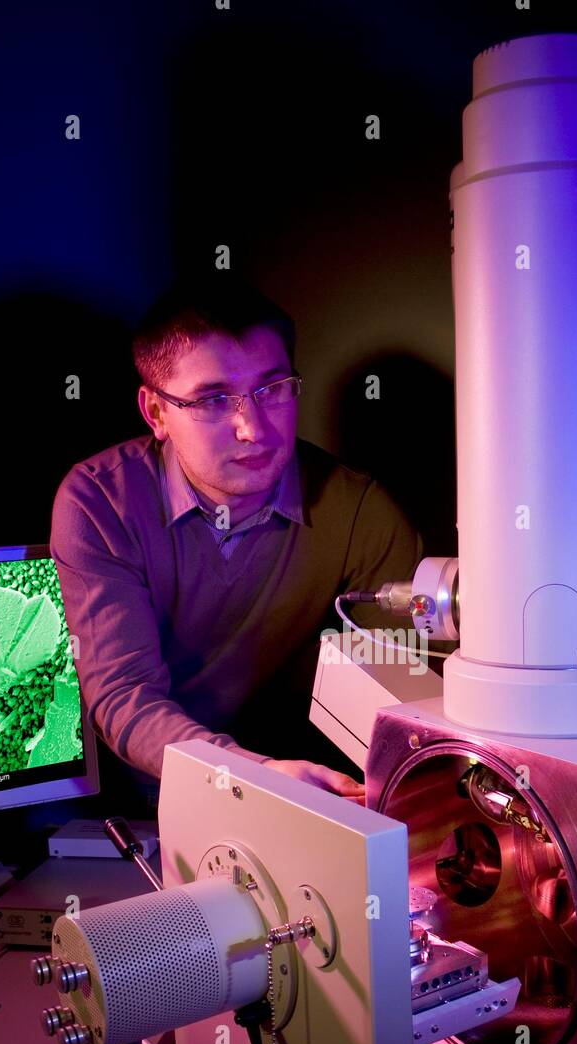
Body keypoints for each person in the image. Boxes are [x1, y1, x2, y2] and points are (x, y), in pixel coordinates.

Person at [50, 273, 423, 812]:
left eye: (271, 390)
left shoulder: (360, 510)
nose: (253, 428)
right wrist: (254, 775)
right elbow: (124, 693)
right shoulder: (101, 503)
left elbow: (401, 702)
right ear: (156, 413)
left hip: (311, 792)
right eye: (214, 399)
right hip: (141, 805)